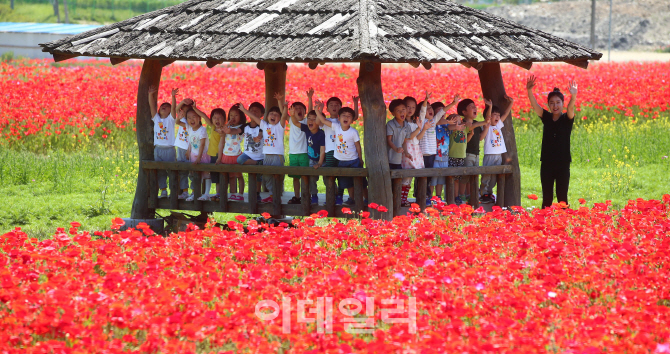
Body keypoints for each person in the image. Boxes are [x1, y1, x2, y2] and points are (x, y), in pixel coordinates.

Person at [527, 76, 578, 208]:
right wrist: (529, 91)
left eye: (558, 102)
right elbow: (535, 105)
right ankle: (544, 224)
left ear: (562, 103)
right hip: (547, 163)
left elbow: (571, 108)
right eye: (552, 103)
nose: (555, 106)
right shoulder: (546, 117)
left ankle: (563, 224)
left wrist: (573, 96)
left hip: (563, 163)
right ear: (548, 104)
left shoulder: (567, 118)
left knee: (562, 197)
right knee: (547, 198)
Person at [315, 99, 367, 205]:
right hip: (336, 157)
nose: (346, 117)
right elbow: (321, 121)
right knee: (341, 180)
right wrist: (317, 110)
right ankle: (344, 198)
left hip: (350, 159)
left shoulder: (349, 128)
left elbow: (358, 145)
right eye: (344, 115)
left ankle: (363, 198)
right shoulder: (335, 125)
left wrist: (360, 159)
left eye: (349, 116)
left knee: (358, 181)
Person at [237, 101, 285, 204]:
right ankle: (272, 195)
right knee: (267, 177)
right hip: (266, 156)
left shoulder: (280, 126)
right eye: (271, 114)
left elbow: (284, 115)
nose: (273, 116)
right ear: (267, 116)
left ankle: (277, 196)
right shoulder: (264, 125)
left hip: (277, 156)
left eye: (276, 115)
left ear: (280, 118)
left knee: (277, 177)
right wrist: (244, 110)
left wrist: (283, 106)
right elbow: (254, 117)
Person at [419, 94, 460, 202]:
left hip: (437, 155)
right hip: (427, 154)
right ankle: (426, 196)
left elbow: (442, 115)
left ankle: (434, 197)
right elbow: (424, 112)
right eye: (428, 108)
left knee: (435, 178)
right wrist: (426, 100)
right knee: (428, 177)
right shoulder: (425, 122)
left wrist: (453, 103)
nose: (430, 110)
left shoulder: (436, 122)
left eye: (431, 108)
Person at [479, 95, 514, 204]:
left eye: (498, 115)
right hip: (490, 154)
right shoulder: (487, 126)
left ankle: (489, 193)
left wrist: (511, 103)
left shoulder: (498, 126)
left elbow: (505, 114)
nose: (497, 117)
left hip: (498, 155)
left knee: (494, 176)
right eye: (495, 115)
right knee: (487, 175)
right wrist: (489, 107)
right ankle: (483, 193)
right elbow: (488, 117)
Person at [401, 93, 432, 207]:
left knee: (414, 175)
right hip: (408, 150)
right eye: (408, 107)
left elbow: (418, 137)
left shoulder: (416, 122)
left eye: (413, 107)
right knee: (406, 177)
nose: (410, 109)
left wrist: (425, 101)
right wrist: (420, 128)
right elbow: (409, 137)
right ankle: (402, 199)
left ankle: (405, 199)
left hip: (416, 150)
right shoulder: (403, 123)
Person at [289, 107, 325, 205]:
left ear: (319, 121)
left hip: (323, 160)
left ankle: (334, 196)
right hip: (312, 160)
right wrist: (292, 115)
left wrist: (320, 163)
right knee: (312, 179)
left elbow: (322, 150)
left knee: (327, 179)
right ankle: (314, 196)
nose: (311, 121)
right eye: (309, 118)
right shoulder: (307, 129)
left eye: (314, 119)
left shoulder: (321, 134)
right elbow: (296, 123)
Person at [459, 98, 491, 204]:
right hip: (466, 154)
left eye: (475, 106)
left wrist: (486, 127)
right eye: (471, 106)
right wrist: (484, 122)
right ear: (464, 112)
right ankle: (461, 194)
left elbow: (480, 138)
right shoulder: (463, 123)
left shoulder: (477, 124)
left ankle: (470, 194)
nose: (475, 108)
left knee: (474, 175)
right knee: (465, 175)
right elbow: (471, 126)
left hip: (476, 154)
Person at [176, 105, 210, 202]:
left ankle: (206, 193)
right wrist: (188, 150)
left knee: (206, 175)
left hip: (202, 155)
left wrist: (199, 157)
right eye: (189, 118)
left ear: (199, 118)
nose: (191, 119)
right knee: (195, 175)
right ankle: (195, 193)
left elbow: (202, 144)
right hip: (193, 155)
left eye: (194, 117)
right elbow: (178, 122)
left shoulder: (202, 129)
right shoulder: (189, 128)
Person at [285, 88, 314, 205]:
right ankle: (297, 196)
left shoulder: (307, 121)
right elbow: (283, 114)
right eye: (295, 109)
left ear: (305, 112)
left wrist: (310, 98)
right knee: (295, 177)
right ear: (291, 112)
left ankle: (306, 196)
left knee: (304, 176)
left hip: (304, 153)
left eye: (301, 108)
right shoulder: (291, 120)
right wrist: (282, 103)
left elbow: (311, 111)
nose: (298, 110)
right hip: (293, 154)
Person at [147, 85, 176, 200]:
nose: (164, 107)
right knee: (161, 172)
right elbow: (151, 106)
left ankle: (174, 190)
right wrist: (150, 95)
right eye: (162, 106)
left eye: (167, 106)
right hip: (158, 149)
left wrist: (173, 97)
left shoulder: (171, 120)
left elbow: (174, 108)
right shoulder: (156, 118)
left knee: (172, 171)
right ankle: (163, 190)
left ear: (170, 111)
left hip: (169, 149)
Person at [217, 105, 247, 201]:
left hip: (236, 155)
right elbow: (222, 133)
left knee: (239, 175)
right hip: (226, 155)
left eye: (236, 115)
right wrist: (227, 124)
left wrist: (227, 127)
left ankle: (241, 194)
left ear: (241, 117)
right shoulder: (227, 126)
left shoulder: (242, 127)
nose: (233, 117)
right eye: (231, 115)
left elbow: (232, 131)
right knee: (231, 176)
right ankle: (233, 193)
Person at [172, 96, 192, 199]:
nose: (183, 112)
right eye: (182, 110)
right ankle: (185, 191)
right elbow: (175, 110)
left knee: (192, 171)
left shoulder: (193, 122)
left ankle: (193, 191)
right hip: (180, 147)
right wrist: (182, 102)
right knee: (183, 171)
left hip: (190, 149)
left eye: (186, 111)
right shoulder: (182, 118)